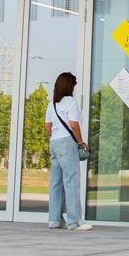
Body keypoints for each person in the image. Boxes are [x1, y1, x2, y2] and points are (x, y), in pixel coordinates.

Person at [46, 71, 91, 230]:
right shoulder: (70, 102)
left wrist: (56, 136)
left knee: (56, 183)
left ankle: (54, 220)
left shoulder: (52, 104)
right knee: (71, 181)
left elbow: (48, 127)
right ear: (69, 86)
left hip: (54, 143)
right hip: (67, 143)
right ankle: (74, 221)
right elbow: (73, 125)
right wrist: (81, 142)